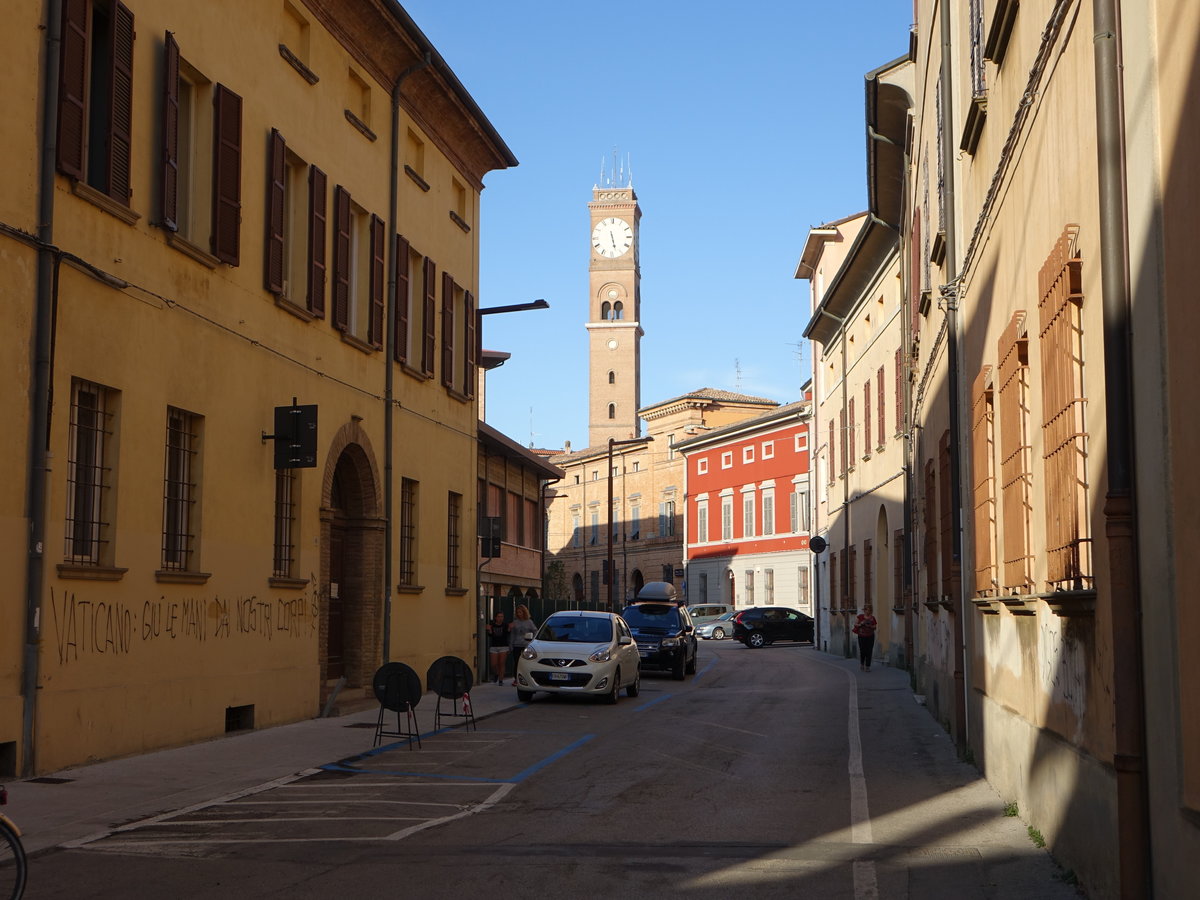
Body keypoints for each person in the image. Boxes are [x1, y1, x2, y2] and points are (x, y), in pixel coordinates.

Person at [507, 604, 537, 686]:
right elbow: (512, 634)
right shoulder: (515, 622)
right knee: (517, 662)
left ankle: (526, 678)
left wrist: (532, 641)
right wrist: (511, 645)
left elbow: (535, 631)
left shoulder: (529, 622)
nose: (519, 614)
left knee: (525, 662)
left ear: (524, 612)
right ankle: (516, 679)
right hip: (516, 644)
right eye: (518, 612)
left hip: (526, 645)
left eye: (520, 612)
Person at [853, 605, 878, 671]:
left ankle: (868, 666)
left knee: (869, 651)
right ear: (864, 610)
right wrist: (861, 624)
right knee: (863, 650)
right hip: (861, 636)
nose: (868, 611)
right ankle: (862, 663)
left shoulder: (872, 618)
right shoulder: (860, 617)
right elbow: (855, 624)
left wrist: (870, 626)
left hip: (870, 636)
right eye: (866, 610)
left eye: (869, 610)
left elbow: (875, 627)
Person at [487, 610, 509, 684]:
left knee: (501, 663)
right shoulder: (492, 625)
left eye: (502, 617)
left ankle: (501, 680)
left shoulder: (505, 625)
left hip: (503, 646)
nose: (500, 618)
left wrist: (509, 629)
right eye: (499, 617)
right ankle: (496, 673)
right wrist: (489, 630)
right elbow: (490, 635)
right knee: (493, 664)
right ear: (495, 618)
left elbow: (507, 634)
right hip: (494, 646)